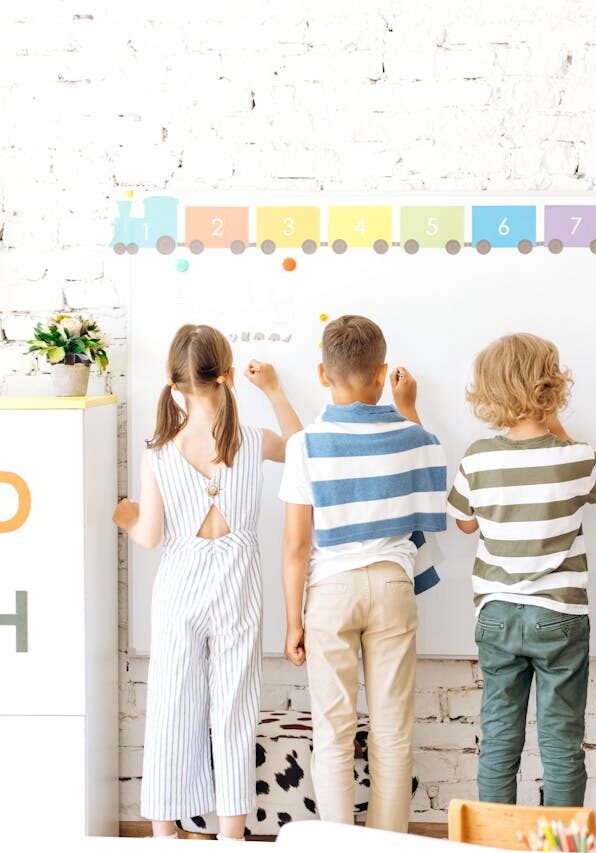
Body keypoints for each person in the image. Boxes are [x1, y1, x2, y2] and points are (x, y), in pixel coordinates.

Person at [114, 324, 300, 840]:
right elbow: (300, 444)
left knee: (172, 706)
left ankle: (164, 833)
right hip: (238, 588)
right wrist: (275, 390)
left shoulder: (160, 451)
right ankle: (231, 834)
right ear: (229, 375)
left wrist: (123, 516)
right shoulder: (251, 441)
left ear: (174, 382)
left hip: (180, 587)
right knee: (235, 709)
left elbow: (150, 536)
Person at [279, 314, 447, 832]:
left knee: (332, 730)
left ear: (322, 373)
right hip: (393, 586)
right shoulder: (416, 437)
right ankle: (388, 844)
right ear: (382, 374)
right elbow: (426, 503)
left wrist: (293, 621)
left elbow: (296, 545)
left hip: (330, 590)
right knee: (393, 730)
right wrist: (408, 406)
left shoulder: (304, 444)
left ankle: (336, 844)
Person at [447, 332, 596, 807]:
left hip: (498, 614)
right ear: (552, 388)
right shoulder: (577, 456)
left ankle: (493, 842)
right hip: (560, 615)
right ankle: (559, 845)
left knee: (500, 740)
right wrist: (555, 426)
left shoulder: (478, 457)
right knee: (562, 743)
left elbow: (465, 524)